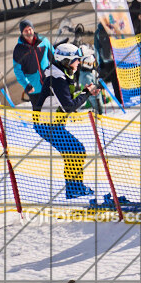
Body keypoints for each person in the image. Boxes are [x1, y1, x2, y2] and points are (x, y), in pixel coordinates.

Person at [32, 43, 100, 199]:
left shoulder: (62, 73)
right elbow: (68, 105)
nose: (78, 62)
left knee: (73, 151)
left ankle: (74, 188)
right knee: (76, 150)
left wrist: (84, 93)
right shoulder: (56, 78)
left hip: (52, 122)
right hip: (45, 125)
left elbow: (65, 101)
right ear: (66, 61)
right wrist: (86, 94)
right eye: (76, 60)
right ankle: (74, 188)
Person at [12, 19, 54, 103]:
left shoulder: (44, 41)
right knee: (38, 112)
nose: (28, 32)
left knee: (55, 109)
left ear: (33, 29)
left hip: (49, 83)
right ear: (22, 33)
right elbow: (17, 70)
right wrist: (26, 84)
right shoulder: (18, 50)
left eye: (30, 29)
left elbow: (54, 58)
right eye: (25, 30)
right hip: (34, 87)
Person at [93, 20, 121, 103]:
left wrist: (100, 63)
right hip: (119, 57)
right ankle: (127, 96)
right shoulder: (114, 27)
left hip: (107, 61)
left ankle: (119, 100)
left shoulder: (98, 32)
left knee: (115, 82)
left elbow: (97, 49)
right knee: (122, 78)